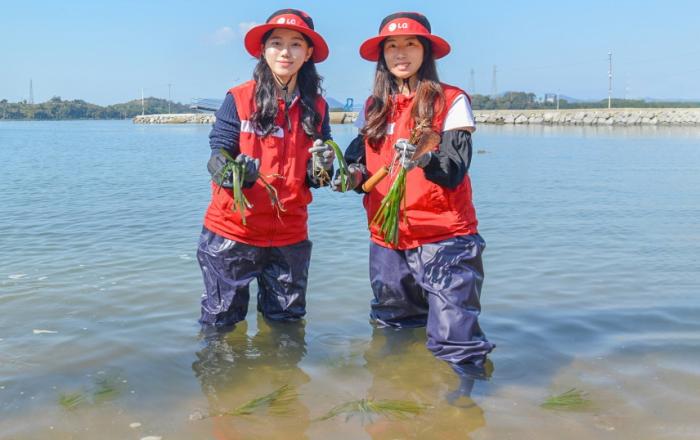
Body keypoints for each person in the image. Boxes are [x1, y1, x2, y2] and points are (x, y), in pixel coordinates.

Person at [334, 12, 494, 372]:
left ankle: (463, 399)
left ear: (426, 51)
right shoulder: (373, 107)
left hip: (444, 239)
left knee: (457, 340)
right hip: (387, 239)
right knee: (393, 328)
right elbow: (357, 167)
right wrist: (343, 175)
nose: (400, 53)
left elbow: (454, 169)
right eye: (392, 46)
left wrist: (422, 159)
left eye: (410, 44)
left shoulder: (451, 100)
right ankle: (399, 392)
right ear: (382, 55)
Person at [197, 9, 335, 329]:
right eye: (276, 43)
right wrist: (234, 174)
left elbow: (317, 176)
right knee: (220, 324)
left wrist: (323, 167)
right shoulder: (239, 98)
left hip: (290, 234)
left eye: (296, 44)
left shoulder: (317, 107)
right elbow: (218, 153)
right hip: (233, 231)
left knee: (286, 326)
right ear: (263, 50)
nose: (285, 52)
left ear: (308, 53)